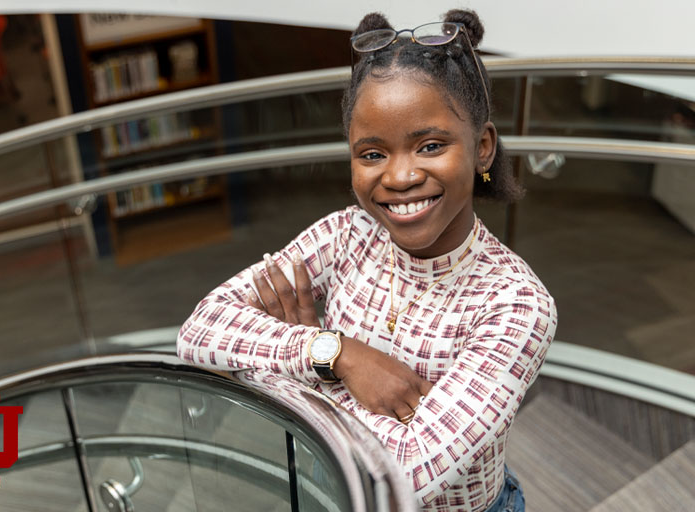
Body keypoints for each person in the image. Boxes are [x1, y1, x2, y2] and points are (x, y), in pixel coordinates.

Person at [178, 8, 556, 511]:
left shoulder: (516, 304)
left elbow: (401, 476)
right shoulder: (346, 234)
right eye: (372, 154)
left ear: (482, 147)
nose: (399, 177)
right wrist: (337, 354)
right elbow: (200, 331)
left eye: (431, 145)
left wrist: (294, 371)